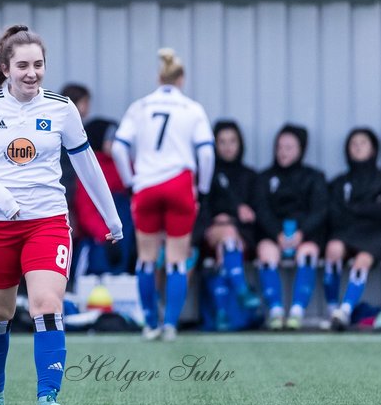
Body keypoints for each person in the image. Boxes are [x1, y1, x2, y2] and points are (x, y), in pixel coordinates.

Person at [0, 26, 123, 405]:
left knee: (47, 306)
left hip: (46, 222)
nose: (32, 73)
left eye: (39, 65)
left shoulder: (61, 109)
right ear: (5, 68)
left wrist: (110, 217)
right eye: (23, 66)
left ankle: (48, 398)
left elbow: (86, 165)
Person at [112, 48, 214, 341]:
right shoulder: (192, 109)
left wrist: (131, 181)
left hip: (146, 184)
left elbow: (119, 148)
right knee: (176, 258)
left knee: (145, 258)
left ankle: (149, 323)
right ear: (182, 79)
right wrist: (202, 189)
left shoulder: (140, 107)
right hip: (180, 183)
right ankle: (170, 324)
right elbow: (206, 154)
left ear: (159, 77)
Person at [250, 124, 329, 330]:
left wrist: (301, 233)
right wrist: (277, 234)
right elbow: (262, 210)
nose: (283, 152)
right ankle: (276, 312)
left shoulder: (314, 177)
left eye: (289, 147)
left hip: (305, 235)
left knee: (308, 254)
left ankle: (296, 312)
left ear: (301, 149)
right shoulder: (265, 177)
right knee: (266, 254)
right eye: (280, 147)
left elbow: (320, 210)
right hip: (272, 235)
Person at [324, 128, 381, 331]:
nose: (357, 147)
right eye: (353, 144)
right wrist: (369, 206)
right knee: (333, 248)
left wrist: (353, 207)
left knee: (363, 259)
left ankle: (345, 310)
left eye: (363, 143)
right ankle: (332, 309)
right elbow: (335, 213)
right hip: (348, 231)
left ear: (374, 148)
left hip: (379, 233)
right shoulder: (340, 182)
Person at [196, 120, 259, 327]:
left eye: (232, 141)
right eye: (221, 141)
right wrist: (217, 221)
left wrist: (231, 219)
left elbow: (255, 215)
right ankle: (241, 290)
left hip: (241, 236)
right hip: (209, 234)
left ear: (240, 143)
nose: (227, 146)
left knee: (229, 240)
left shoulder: (250, 176)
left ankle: (221, 312)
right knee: (226, 237)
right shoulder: (206, 174)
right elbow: (200, 207)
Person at [72, 117, 134, 276]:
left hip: (123, 240)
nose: (115, 144)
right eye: (110, 139)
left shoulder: (124, 165)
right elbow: (86, 212)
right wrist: (106, 235)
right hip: (99, 240)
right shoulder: (90, 166)